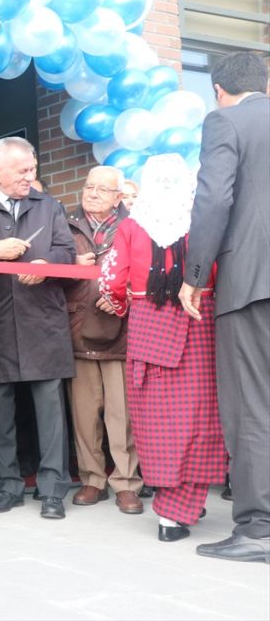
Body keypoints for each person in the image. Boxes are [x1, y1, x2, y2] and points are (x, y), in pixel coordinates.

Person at [100, 154, 227, 543]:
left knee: (157, 421)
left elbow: (110, 282)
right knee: (200, 416)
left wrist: (127, 308)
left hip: (148, 325)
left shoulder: (131, 226)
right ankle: (186, 503)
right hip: (198, 321)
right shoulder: (203, 223)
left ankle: (173, 511)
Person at [0, 136, 75, 520]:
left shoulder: (48, 205)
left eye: (32, 169)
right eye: (22, 171)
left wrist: (47, 264)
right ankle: (7, 485)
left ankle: (53, 488)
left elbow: (68, 253)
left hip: (43, 320)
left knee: (50, 409)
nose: (30, 176)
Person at [180, 51, 270, 563]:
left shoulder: (225, 121)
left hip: (253, 282)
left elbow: (213, 199)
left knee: (253, 405)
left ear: (217, 89)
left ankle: (259, 530)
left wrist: (195, 276)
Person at [63, 166, 143, 515]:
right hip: (76, 328)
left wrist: (122, 291)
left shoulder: (134, 227)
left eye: (102, 189)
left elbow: (145, 271)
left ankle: (126, 483)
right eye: (88, 186)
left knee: (121, 415)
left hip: (120, 332)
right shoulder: (64, 226)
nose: (92, 193)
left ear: (118, 197)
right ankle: (92, 479)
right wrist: (69, 261)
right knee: (83, 414)